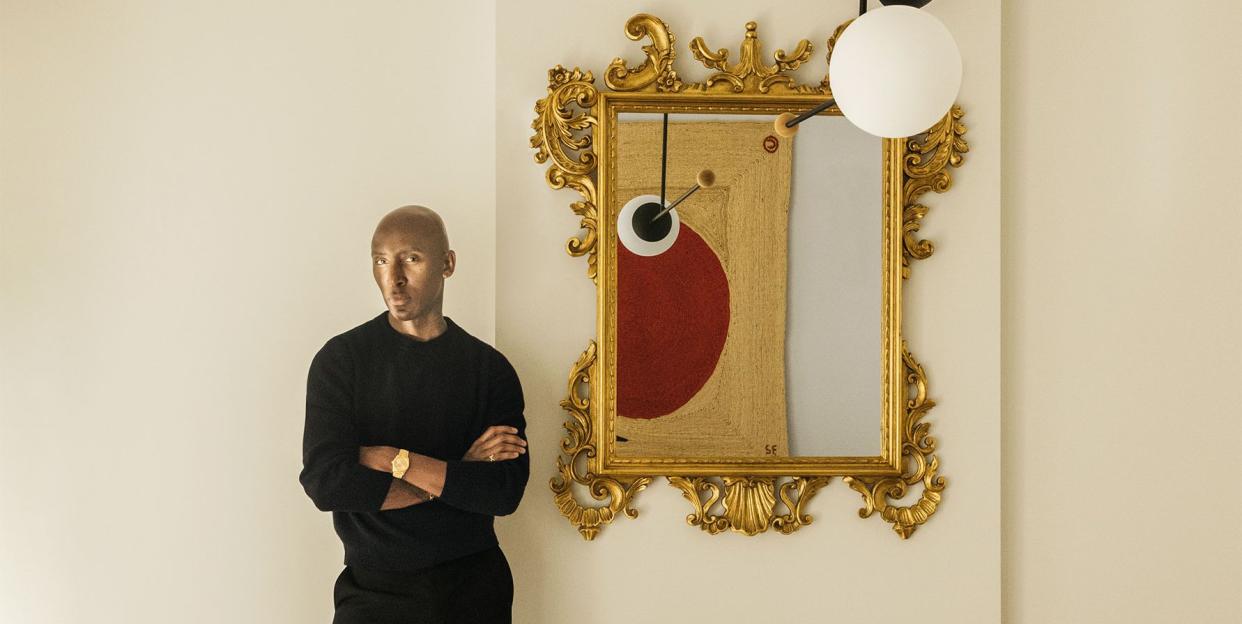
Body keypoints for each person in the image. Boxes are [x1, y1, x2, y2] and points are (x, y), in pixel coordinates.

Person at [300, 205, 529, 623]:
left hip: (474, 592)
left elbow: (502, 492)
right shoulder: (342, 361)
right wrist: (459, 473)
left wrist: (389, 459)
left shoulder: (489, 370)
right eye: (381, 261)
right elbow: (326, 483)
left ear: (448, 263)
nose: (394, 278)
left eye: (411, 258)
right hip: (373, 593)